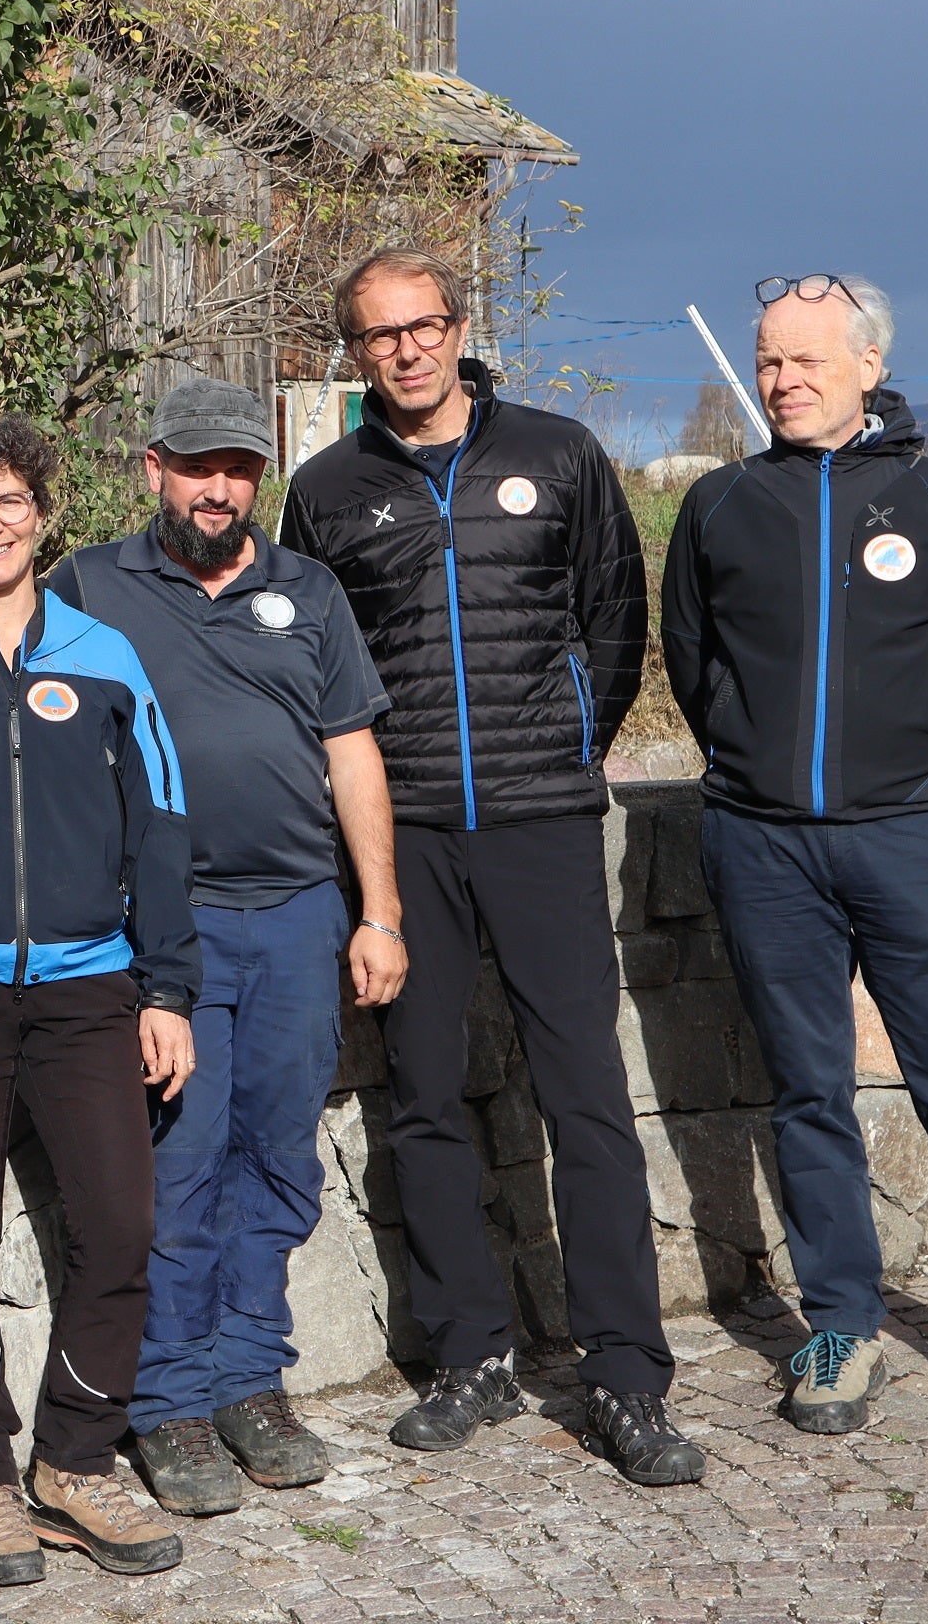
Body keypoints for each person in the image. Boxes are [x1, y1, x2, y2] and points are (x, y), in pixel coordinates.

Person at [280, 249, 705, 1487]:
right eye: (379, 334)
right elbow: (321, 670)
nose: (406, 350)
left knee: (584, 1099)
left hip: (539, 821)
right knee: (422, 1096)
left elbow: (614, 620)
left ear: (460, 330)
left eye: (423, 326)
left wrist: (565, 748)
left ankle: (628, 1374)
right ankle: (473, 1354)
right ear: (356, 351)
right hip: (403, 832)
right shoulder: (325, 490)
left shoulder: (560, 453)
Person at [663, 275, 928, 1448]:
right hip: (764, 845)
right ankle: (841, 1325)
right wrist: (760, 765)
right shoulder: (721, 503)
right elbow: (694, 663)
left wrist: (899, 758)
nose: (781, 380)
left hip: (907, 838)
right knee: (809, 1092)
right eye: (767, 361)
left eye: (804, 360)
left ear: (867, 364)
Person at [48, 380, 407, 1518]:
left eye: (240, 467)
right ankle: (169, 1402)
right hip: (168, 926)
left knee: (278, 1159)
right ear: (152, 467)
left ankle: (252, 1379)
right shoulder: (88, 588)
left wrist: (379, 910)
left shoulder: (309, 590)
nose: (219, 487)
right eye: (199, 464)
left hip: (301, 913)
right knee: (181, 1166)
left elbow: (352, 754)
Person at [0, 410, 196, 1585]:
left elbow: (162, 828)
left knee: (121, 1224)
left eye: (7, 501)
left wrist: (165, 984)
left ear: (41, 512)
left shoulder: (106, 654)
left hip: (89, 990)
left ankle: (73, 1462)